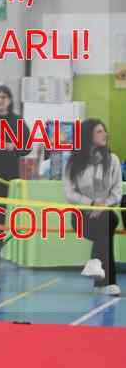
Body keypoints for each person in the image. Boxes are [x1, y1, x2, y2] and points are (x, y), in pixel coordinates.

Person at [63, 118, 124, 296]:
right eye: (99, 131)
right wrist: (90, 204)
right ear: (88, 135)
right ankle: (104, 280)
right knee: (107, 225)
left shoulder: (113, 160)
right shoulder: (73, 162)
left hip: (104, 213)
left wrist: (102, 206)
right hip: (82, 216)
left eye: (104, 131)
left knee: (107, 220)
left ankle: (98, 270)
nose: (105, 134)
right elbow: (69, 193)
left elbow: (117, 192)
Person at [0, 84, 31, 260]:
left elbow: (27, 147)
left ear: (10, 101)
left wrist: (13, 146)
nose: (0, 100)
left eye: (4, 97)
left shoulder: (18, 121)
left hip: (10, 175)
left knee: (6, 213)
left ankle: (1, 248)